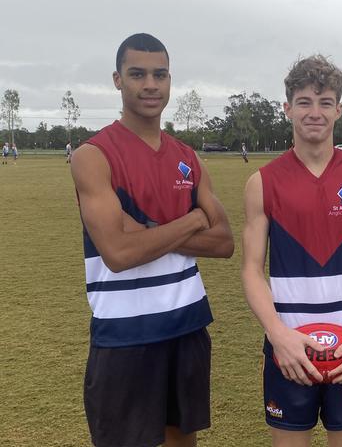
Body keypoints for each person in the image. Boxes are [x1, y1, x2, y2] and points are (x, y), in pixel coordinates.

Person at [70, 33, 234, 447]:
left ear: (169, 80)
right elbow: (120, 253)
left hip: (186, 325)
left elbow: (223, 243)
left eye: (159, 75)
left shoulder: (188, 157)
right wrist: (193, 218)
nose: (150, 85)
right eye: (137, 74)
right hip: (125, 334)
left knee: (183, 439)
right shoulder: (94, 155)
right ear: (117, 79)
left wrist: (149, 232)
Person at [241, 55, 342, 447]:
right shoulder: (262, 182)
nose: (314, 112)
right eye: (304, 101)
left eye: (325, 103)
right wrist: (277, 336)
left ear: (339, 109)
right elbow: (252, 270)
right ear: (287, 107)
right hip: (288, 349)